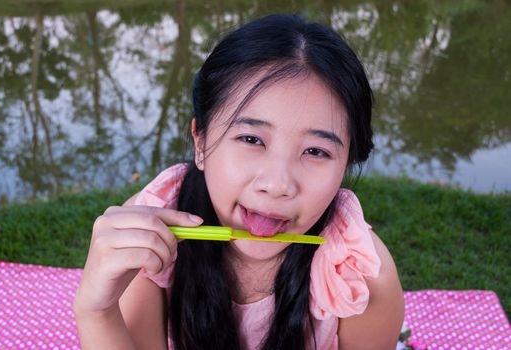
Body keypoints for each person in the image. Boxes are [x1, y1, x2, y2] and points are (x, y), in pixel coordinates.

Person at [73, 13, 404, 350]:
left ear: (346, 163)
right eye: (251, 140)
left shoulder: (359, 278)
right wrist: (96, 311)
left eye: (316, 151)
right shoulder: (149, 238)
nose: (277, 184)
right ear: (200, 142)